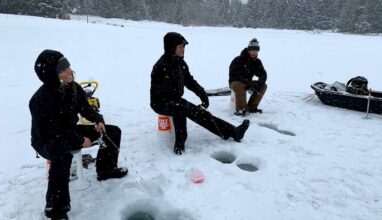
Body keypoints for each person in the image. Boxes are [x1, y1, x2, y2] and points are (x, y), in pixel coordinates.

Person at [29, 50, 128, 219]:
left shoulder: (74, 88)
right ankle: (55, 208)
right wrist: (80, 139)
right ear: (53, 75)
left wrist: (98, 120)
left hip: (69, 131)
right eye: (63, 69)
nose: (69, 71)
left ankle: (106, 170)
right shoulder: (40, 99)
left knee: (112, 131)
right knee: (62, 156)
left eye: (68, 65)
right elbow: (50, 130)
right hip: (46, 139)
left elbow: (86, 109)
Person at [150, 32, 250, 155]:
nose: (183, 49)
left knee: (200, 113)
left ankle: (233, 132)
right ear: (171, 48)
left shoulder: (181, 63)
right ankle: (180, 143)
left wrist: (202, 94)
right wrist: (179, 102)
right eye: (180, 47)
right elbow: (159, 93)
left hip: (176, 100)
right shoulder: (160, 66)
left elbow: (190, 81)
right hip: (160, 102)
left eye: (183, 47)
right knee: (181, 108)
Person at [229, 38, 267, 116]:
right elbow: (233, 74)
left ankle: (252, 107)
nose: (254, 52)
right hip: (235, 82)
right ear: (248, 50)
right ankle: (241, 109)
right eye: (253, 50)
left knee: (263, 85)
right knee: (239, 85)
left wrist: (258, 85)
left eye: (256, 51)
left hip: (247, 82)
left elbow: (263, 74)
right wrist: (245, 82)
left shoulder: (257, 62)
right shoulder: (238, 60)